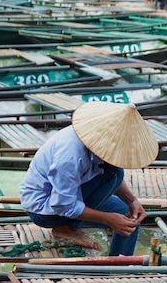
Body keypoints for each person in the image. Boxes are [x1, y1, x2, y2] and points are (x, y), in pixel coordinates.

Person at [19, 101, 159, 256]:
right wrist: (108, 219)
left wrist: (132, 201)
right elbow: (62, 205)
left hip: (71, 195)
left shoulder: (95, 145)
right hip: (45, 211)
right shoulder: (70, 156)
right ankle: (69, 228)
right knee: (114, 174)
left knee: (127, 216)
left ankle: (120, 265)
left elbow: (110, 172)